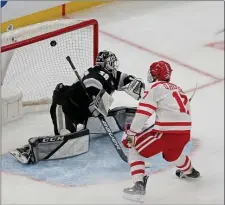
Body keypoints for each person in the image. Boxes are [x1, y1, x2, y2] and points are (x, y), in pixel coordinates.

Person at [9, 50, 145, 164]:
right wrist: (97, 101)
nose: (115, 66)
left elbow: (124, 79)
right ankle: (29, 150)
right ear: (107, 64)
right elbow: (93, 86)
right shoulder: (95, 75)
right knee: (66, 137)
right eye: (113, 63)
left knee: (91, 121)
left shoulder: (110, 75)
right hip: (66, 107)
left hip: (83, 110)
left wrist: (133, 83)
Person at [121, 60, 200, 202]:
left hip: (166, 134)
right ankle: (190, 171)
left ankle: (138, 186)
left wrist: (132, 134)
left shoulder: (155, 87)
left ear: (155, 75)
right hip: (184, 134)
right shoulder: (178, 89)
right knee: (172, 155)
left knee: (135, 149)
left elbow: (143, 113)